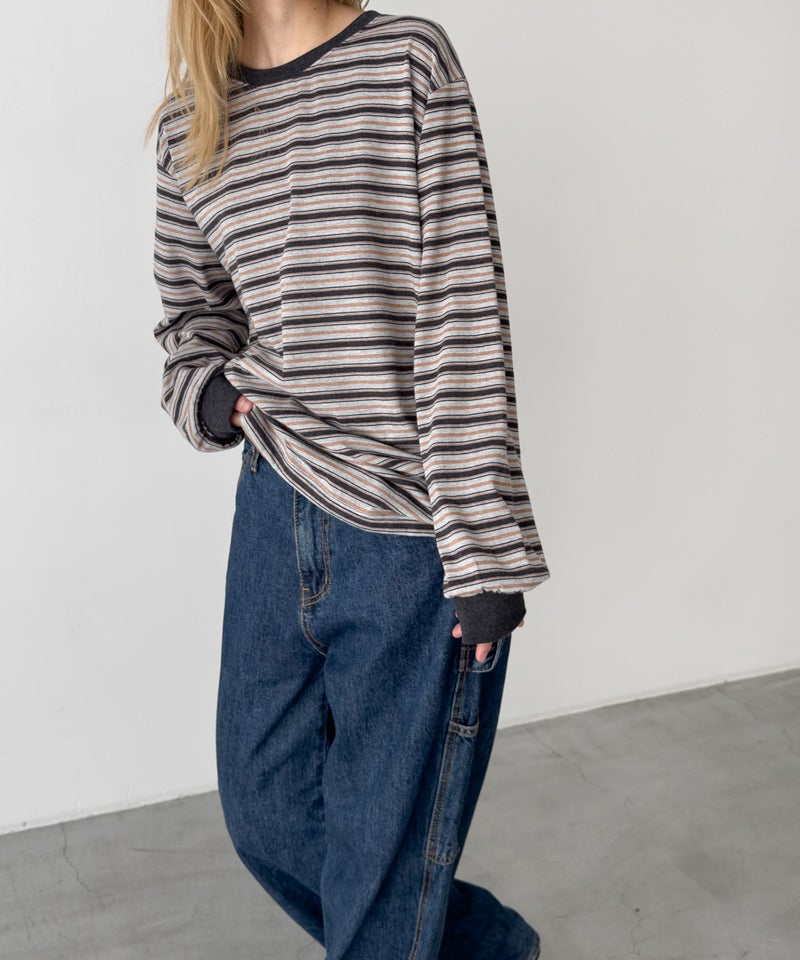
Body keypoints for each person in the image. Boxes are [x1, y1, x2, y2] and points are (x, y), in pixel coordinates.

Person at [147, 1, 551, 957]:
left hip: (409, 535)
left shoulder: (407, 61)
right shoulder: (191, 118)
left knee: (380, 864)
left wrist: (483, 553)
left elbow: (462, 309)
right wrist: (212, 397)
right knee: (265, 812)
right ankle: (487, 950)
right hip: (273, 503)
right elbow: (191, 316)